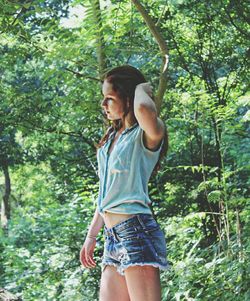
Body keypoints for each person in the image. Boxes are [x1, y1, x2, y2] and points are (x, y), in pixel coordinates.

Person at [80, 65, 169, 301]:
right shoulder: (112, 138)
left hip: (136, 231)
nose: (104, 105)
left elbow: (142, 107)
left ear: (128, 98)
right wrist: (92, 236)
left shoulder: (147, 133)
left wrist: (141, 87)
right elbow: (106, 194)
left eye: (110, 98)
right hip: (112, 236)